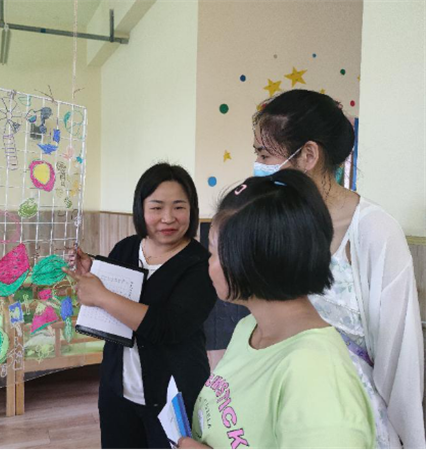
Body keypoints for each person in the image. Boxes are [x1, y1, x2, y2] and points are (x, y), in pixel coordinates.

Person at [251, 89, 424, 449]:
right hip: (281, 402)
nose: (258, 166)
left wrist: (408, 438)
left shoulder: (374, 230)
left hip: (348, 415)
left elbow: (400, 353)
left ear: (308, 155)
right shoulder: (279, 220)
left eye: (265, 155)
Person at [180, 169, 375, 449]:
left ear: (250, 259)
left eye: (213, 252)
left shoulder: (317, 376)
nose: (208, 263)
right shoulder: (249, 328)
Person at [65, 163, 217, 450]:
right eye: (156, 207)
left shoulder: (201, 265)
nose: (168, 218)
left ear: (192, 209)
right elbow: (112, 299)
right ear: (141, 209)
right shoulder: (126, 248)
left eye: (179, 207)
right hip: (117, 391)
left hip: (174, 399)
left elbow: (167, 327)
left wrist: (101, 295)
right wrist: (94, 271)